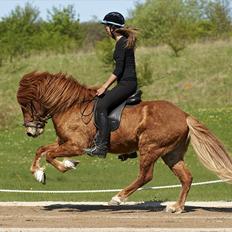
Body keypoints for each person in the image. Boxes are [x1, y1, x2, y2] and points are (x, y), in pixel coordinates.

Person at [84, 12, 138, 158]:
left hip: (126, 84)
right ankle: (130, 149)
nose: (105, 29)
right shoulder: (124, 41)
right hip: (128, 83)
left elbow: (118, 70)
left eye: (106, 26)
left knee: (101, 106)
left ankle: (102, 146)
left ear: (113, 28)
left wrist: (104, 87)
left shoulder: (121, 44)